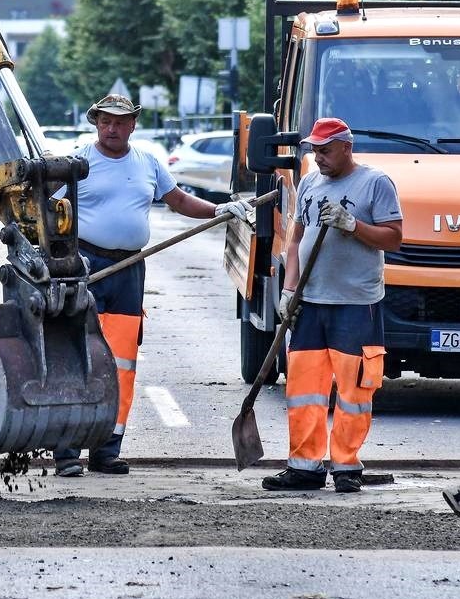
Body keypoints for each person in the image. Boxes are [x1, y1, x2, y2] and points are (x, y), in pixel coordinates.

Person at [55, 94, 252, 478]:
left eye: (120, 122)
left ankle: (106, 449)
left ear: (133, 125)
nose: (112, 129)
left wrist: (218, 210)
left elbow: (177, 200)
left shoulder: (147, 162)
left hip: (129, 269)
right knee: (77, 358)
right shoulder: (77, 163)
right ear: (96, 123)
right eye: (106, 122)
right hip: (85, 264)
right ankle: (66, 451)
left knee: (121, 362)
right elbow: (50, 210)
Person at [263, 117, 403, 494]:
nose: (318, 157)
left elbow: (394, 239)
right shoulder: (309, 182)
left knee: (355, 391)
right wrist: (289, 290)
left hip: (355, 304)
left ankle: (346, 466)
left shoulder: (375, 183)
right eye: (314, 150)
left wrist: (352, 224)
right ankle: (304, 467)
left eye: (325, 150)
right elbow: (295, 241)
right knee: (304, 389)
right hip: (310, 303)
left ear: (347, 147)